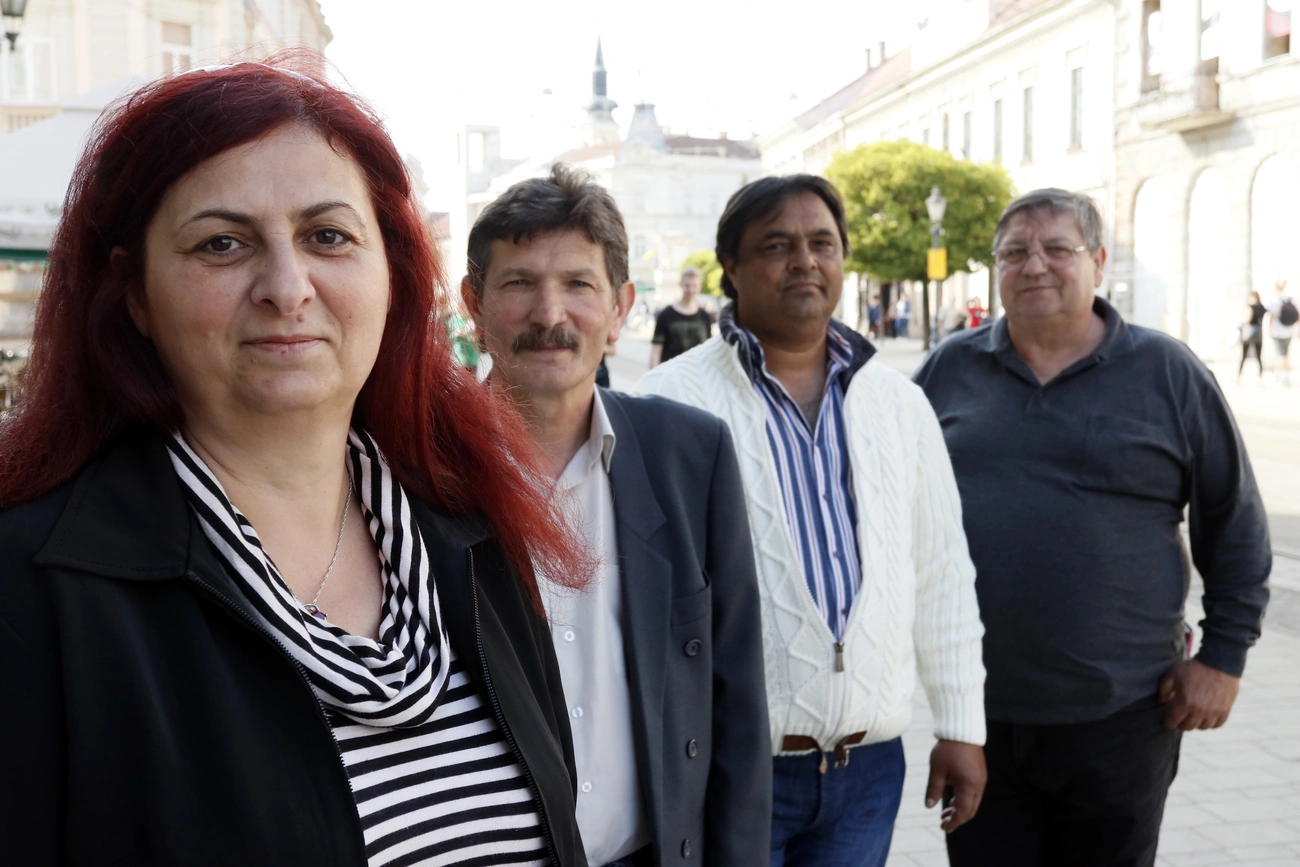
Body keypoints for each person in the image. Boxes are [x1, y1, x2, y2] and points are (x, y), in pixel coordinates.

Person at [0, 61, 590, 866]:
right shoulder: (34, 588)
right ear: (135, 294)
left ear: (393, 275)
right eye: (222, 243)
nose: (287, 287)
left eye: (327, 236)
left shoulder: (473, 533)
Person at [913, 188, 1272, 867]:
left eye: (1058, 248)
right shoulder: (948, 370)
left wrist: (1224, 657)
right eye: (1015, 252)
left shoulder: (1169, 372)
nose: (1034, 265)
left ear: (1098, 262)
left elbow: (1235, 522)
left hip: (1125, 714)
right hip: (978, 712)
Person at [638, 175, 987, 867]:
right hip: (728, 769)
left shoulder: (899, 403)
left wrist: (961, 725)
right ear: (732, 267)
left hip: (867, 774)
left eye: (822, 243)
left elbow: (943, 572)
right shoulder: (667, 403)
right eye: (777, 245)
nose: (804, 260)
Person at [462, 164, 771, 867]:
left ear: (621, 308)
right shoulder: (418, 471)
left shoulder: (689, 455)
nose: (550, 314)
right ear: (473, 306)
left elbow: (736, 700)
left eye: (578, 284)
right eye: (519, 283)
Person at [648, 266, 714, 368]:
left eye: (694, 286)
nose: (690, 290)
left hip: (697, 372)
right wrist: (653, 374)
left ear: (699, 287)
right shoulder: (666, 315)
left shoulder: (704, 317)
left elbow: (708, 349)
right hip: (670, 372)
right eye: (687, 285)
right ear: (680, 285)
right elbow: (656, 349)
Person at [1265, 279, 1297, 386]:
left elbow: (1272, 316)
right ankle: (1279, 374)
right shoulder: (1291, 300)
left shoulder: (1275, 301)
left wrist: (1269, 328)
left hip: (1277, 331)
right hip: (1289, 331)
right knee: (1284, 354)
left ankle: (1281, 375)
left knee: (1281, 354)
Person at [1239, 291, 1266, 383]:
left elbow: (1247, 319)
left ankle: (1239, 376)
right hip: (1259, 333)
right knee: (1259, 357)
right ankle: (1260, 378)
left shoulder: (1250, 307)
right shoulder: (1262, 307)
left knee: (1243, 356)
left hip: (1249, 333)